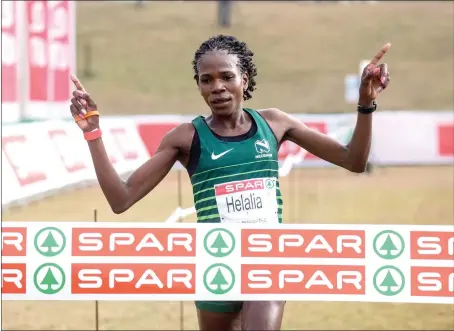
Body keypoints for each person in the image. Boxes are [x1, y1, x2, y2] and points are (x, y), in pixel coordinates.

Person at [69, 35, 391, 331]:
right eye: (206, 80)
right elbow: (121, 198)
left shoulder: (274, 123)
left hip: (266, 259)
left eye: (226, 76)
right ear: (198, 86)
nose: (217, 87)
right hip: (216, 265)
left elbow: (353, 160)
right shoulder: (186, 137)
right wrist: (92, 133)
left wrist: (365, 103)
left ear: (244, 79)